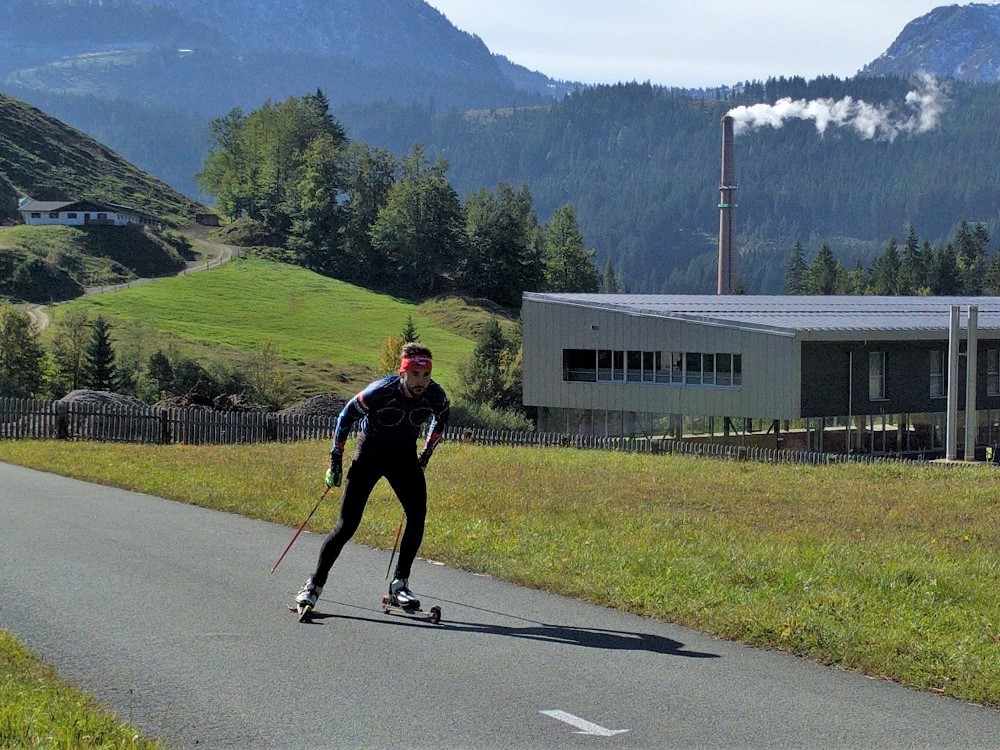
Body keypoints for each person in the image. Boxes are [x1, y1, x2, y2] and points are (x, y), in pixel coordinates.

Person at [295, 342, 449, 612]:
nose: (421, 382)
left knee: (417, 515)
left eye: (425, 375)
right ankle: (314, 585)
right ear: (403, 372)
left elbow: (441, 419)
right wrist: (335, 461)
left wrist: (425, 454)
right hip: (371, 453)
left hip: (403, 455)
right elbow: (345, 418)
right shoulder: (380, 391)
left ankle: (400, 584)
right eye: (414, 374)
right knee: (347, 525)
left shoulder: (435, 395)